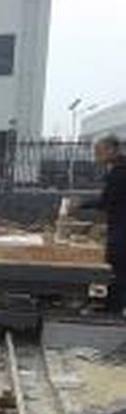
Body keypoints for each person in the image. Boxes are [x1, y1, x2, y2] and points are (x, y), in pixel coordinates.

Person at [77, 135, 126, 315]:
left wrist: (80, 204)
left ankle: (113, 309)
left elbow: (106, 201)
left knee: (117, 267)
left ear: (112, 150)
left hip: (121, 228)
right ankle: (112, 305)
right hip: (118, 224)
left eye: (98, 151)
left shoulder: (120, 172)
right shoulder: (117, 169)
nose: (95, 156)